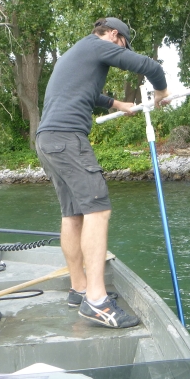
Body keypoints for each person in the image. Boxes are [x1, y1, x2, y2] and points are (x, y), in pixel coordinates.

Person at [35, 17, 169, 328]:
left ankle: (79, 287)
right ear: (112, 34)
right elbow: (149, 66)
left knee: (73, 214)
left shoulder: (75, 53)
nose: (121, 48)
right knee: (98, 210)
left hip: (48, 140)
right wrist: (161, 92)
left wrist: (118, 103)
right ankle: (96, 301)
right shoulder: (98, 46)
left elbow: (87, 94)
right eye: (122, 42)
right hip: (69, 139)